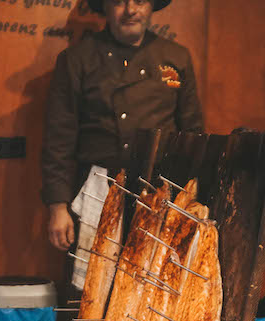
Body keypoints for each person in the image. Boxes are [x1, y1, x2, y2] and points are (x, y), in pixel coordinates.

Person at [41, 0, 204, 255]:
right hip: (98, 190)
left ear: (151, 6)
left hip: (162, 192)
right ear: (105, 7)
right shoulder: (76, 59)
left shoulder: (175, 58)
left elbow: (193, 133)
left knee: (154, 286)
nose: (130, 10)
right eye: (119, 1)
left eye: (139, 1)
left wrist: (192, 199)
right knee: (91, 287)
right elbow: (58, 138)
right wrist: (57, 206)